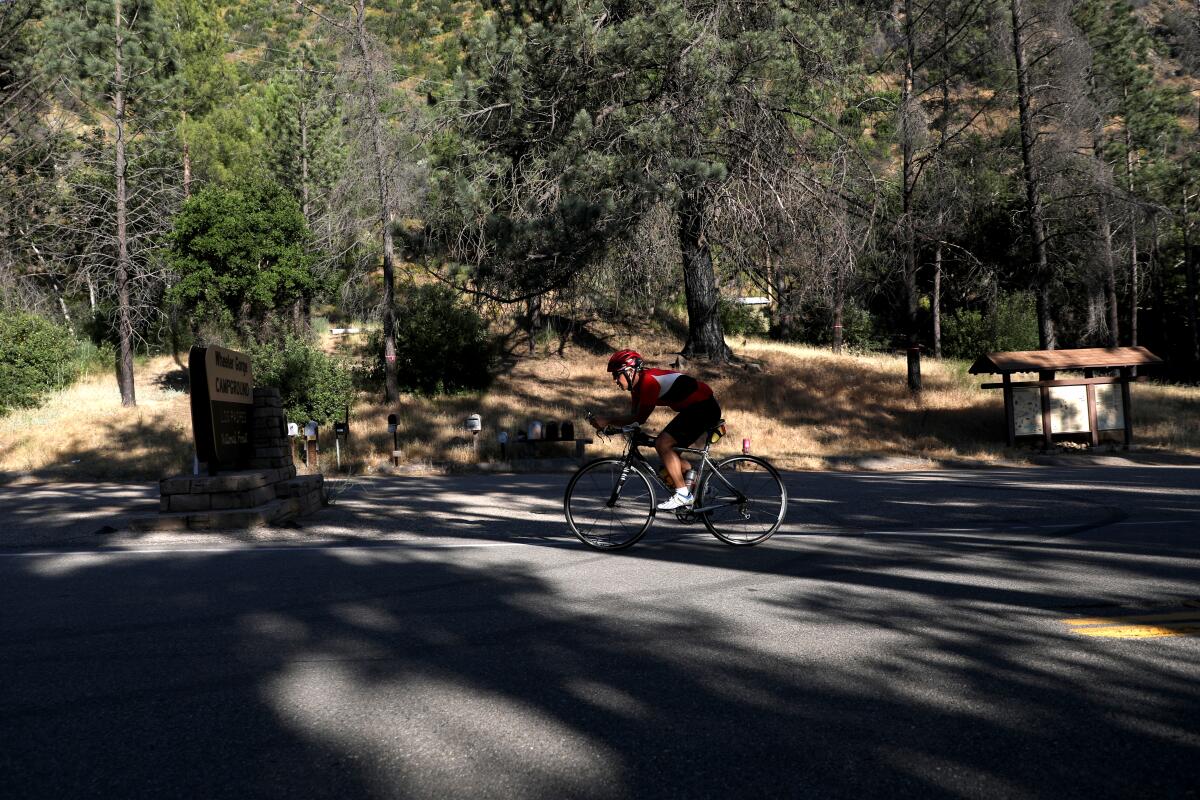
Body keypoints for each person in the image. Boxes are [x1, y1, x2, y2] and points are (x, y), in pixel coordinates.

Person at [590, 349, 722, 511]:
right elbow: (634, 418)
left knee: (663, 444)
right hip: (695, 409)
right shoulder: (637, 388)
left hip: (702, 407)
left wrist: (608, 420)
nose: (615, 380)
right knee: (668, 461)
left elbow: (640, 419)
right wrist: (613, 427)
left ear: (630, 372)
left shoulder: (648, 383)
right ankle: (703, 489)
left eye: (617, 374)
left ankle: (683, 494)